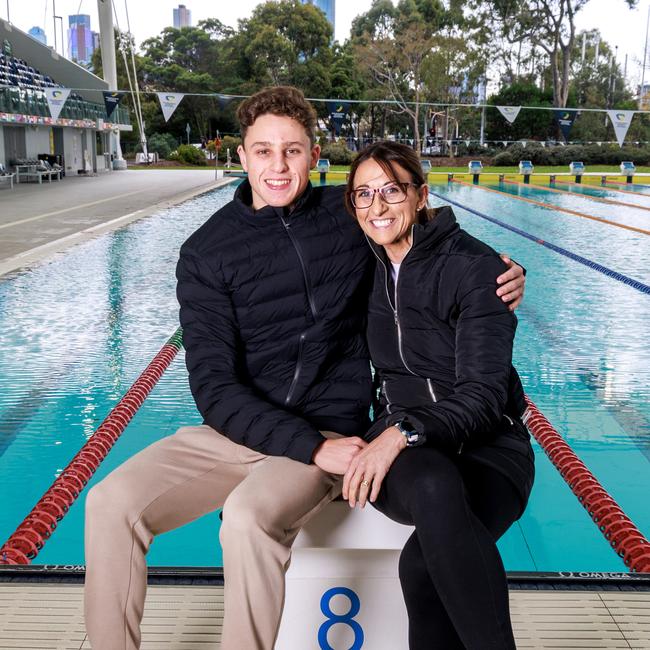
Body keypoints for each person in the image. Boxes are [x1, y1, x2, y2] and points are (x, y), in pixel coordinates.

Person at [83, 87, 526, 650]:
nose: (277, 165)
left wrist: (504, 272)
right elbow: (213, 387)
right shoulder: (206, 252)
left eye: (291, 151)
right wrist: (308, 447)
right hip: (237, 430)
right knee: (109, 503)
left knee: (246, 517)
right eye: (262, 151)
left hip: (327, 431)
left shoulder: (347, 223)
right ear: (240, 156)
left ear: (314, 156)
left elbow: (420, 236)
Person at [342, 141, 535, 650]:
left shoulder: (475, 269)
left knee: (421, 569)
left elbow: (484, 395)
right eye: (363, 194)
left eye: (391, 190)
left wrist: (402, 433)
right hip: (412, 457)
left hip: (489, 449)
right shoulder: (359, 262)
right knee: (431, 486)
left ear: (421, 194)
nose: (377, 206)